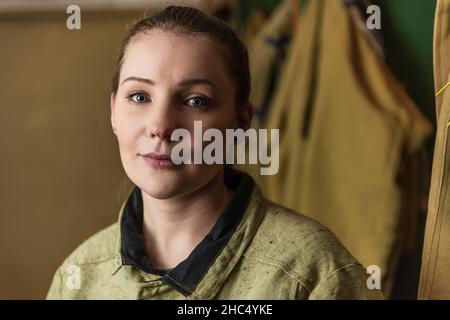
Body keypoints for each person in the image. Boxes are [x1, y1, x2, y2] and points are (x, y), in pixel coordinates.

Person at [46, 5, 383, 300]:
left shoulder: (314, 272)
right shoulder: (78, 277)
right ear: (113, 112)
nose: (161, 126)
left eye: (196, 101)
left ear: (240, 122)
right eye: (139, 97)